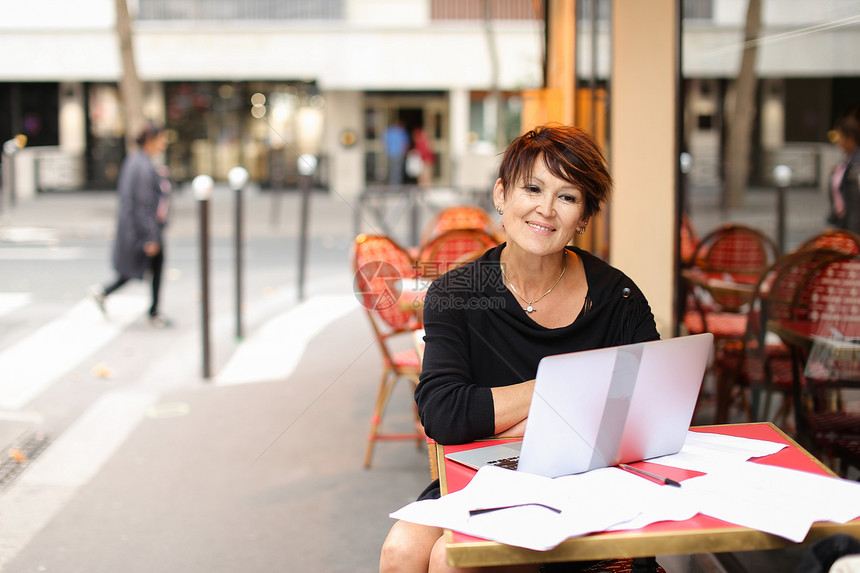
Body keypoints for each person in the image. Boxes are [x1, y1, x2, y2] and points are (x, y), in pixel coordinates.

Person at [379, 124, 660, 573]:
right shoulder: (458, 293)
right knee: (401, 551)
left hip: (586, 479)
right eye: (532, 188)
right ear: (501, 195)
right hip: (485, 472)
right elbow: (443, 414)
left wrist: (499, 419)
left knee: (453, 559)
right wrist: (562, 391)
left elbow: (650, 408)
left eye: (567, 197)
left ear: (583, 217)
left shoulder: (617, 297)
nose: (545, 210)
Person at [91, 122, 172, 328]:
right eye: (161, 138)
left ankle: (105, 293)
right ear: (150, 140)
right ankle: (153, 312)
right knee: (147, 267)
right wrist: (150, 236)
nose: (164, 143)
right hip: (143, 230)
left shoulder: (137, 162)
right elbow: (143, 204)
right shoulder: (142, 165)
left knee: (138, 268)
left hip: (137, 229)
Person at [827, 104, 860, 235]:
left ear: (850, 137)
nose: (837, 141)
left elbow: (856, 203)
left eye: (838, 136)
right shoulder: (847, 160)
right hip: (845, 224)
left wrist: (853, 235)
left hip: (853, 227)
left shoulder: (856, 164)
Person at [383, 119, 410, 186]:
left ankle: (393, 184)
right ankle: (396, 185)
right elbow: (406, 143)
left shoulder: (389, 131)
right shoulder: (401, 131)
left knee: (393, 169)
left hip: (392, 153)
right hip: (397, 153)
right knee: (397, 170)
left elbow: (383, 139)